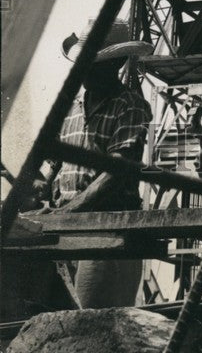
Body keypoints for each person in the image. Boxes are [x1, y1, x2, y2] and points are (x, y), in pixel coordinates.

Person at [46, 19, 153, 308]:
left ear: (116, 62)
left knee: (95, 320)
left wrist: (70, 209)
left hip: (107, 230)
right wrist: (41, 190)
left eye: (93, 63)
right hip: (64, 230)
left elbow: (117, 170)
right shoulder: (70, 106)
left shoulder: (129, 104)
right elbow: (53, 163)